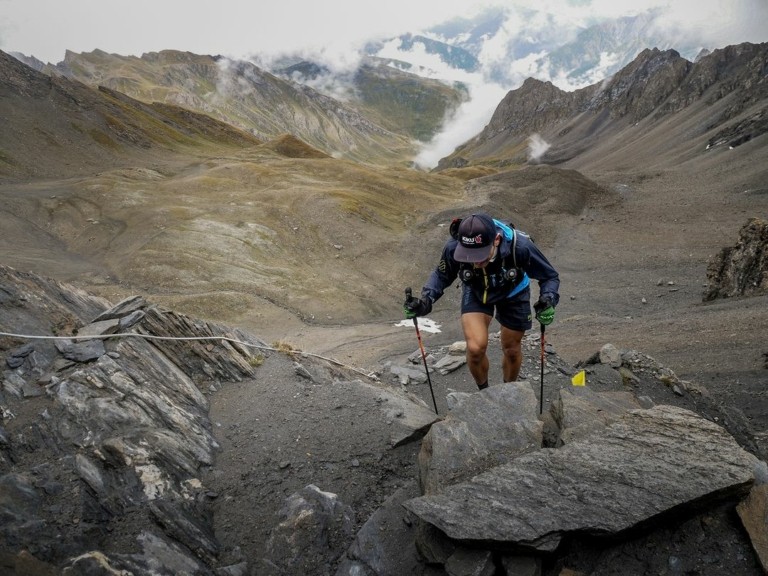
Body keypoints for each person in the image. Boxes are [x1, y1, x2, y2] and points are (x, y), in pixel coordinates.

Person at [404, 213, 560, 390]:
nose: (476, 261)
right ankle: (485, 394)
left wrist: (548, 300)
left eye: (480, 255)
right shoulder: (453, 247)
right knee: (476, 348)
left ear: (497, 239)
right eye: (468, 255)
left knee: (512, 350)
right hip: (476, 290)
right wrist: (425, 302)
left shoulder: (521, 246)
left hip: (514, 292)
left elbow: (550, 277)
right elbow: (442, 275)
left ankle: (508, 392)